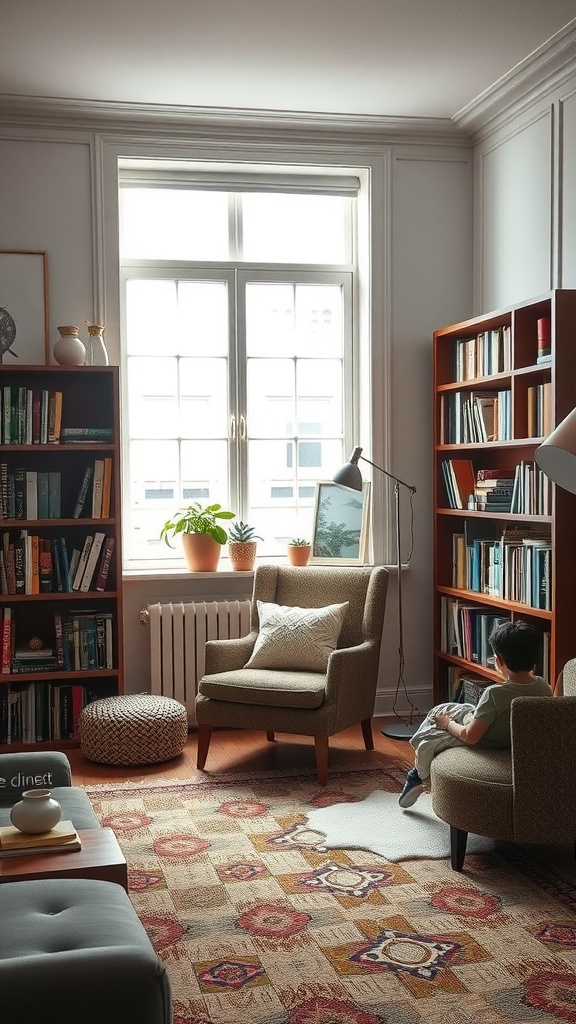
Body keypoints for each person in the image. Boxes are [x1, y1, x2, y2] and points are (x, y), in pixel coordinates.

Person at [398, 620, 552, 808]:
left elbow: (470, 736)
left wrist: (447, 725)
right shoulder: (544, 686)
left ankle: (417, 777)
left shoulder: (494, 694)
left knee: (428, 738)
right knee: (449, 708)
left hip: (486, 739)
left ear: (499, 660)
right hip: (507, 738)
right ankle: (440, 722)